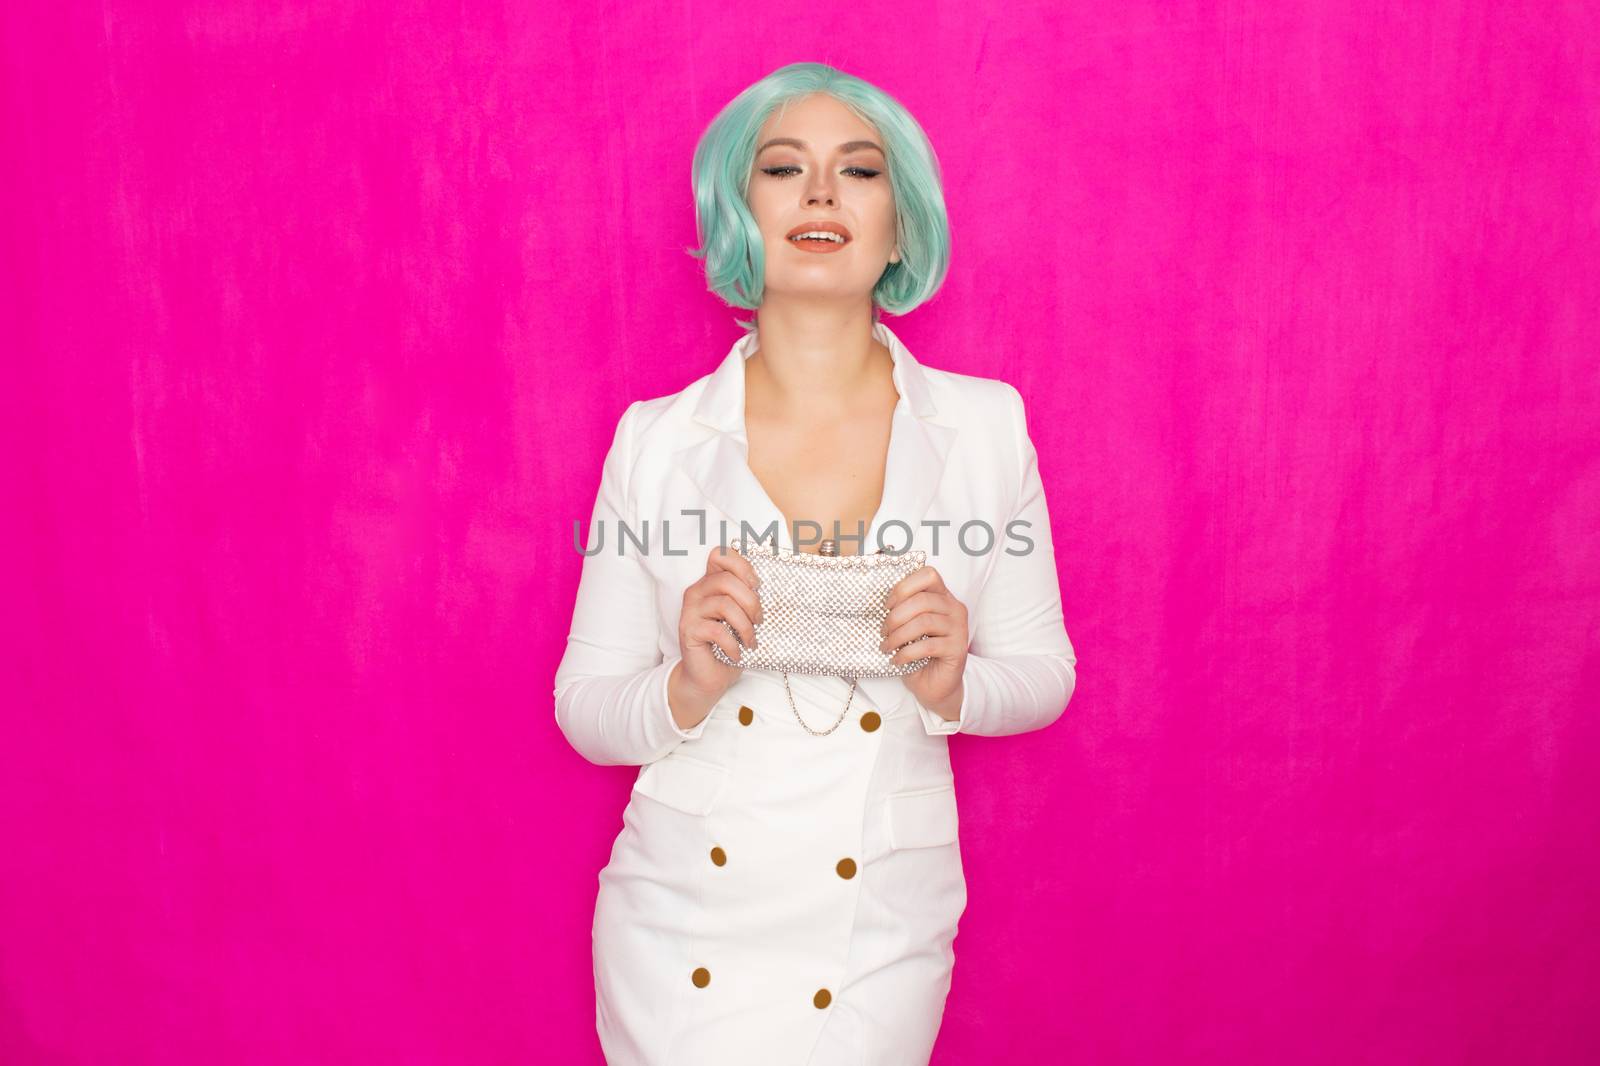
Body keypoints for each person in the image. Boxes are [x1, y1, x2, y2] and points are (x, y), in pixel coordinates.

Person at [553, 62, 1078, 1066]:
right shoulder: (654, 441)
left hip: (876, 915)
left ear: (899, 223)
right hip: (683, 922)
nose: (822, 193)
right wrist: (687, 680)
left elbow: (1044, 675)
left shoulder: (983, 426)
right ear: (738, 211)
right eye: (784, 167)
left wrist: (954, 681)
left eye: (860, 171)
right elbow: (585, 705)